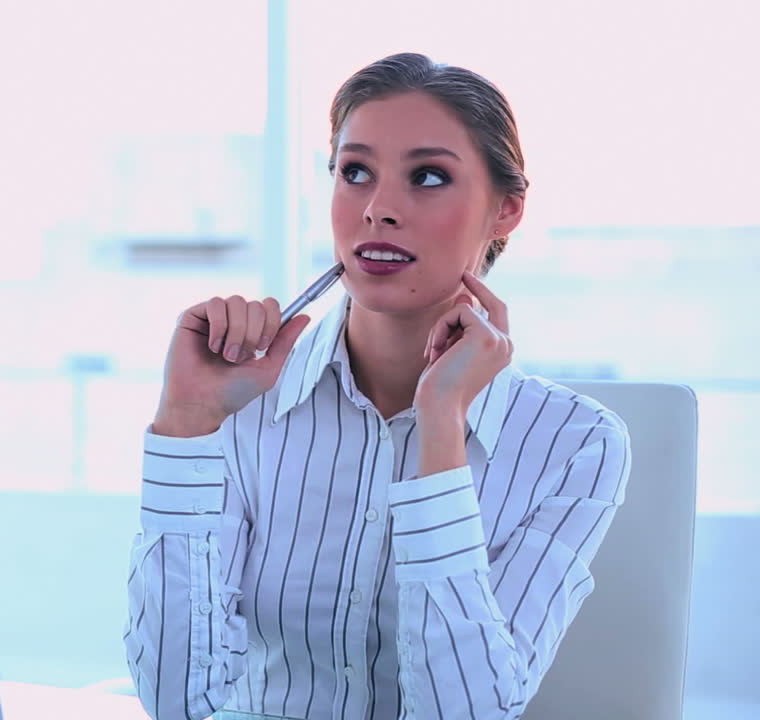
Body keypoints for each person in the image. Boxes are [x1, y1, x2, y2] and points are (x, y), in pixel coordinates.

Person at [123, 52, 632, 720]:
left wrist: (442, 426)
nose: (379, 210)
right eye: (354, 172)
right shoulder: (244, 405)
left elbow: (467, 714)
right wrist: (186, 428)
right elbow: (177, 702)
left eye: (428, 177)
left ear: (506, 210)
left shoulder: (578, 447)